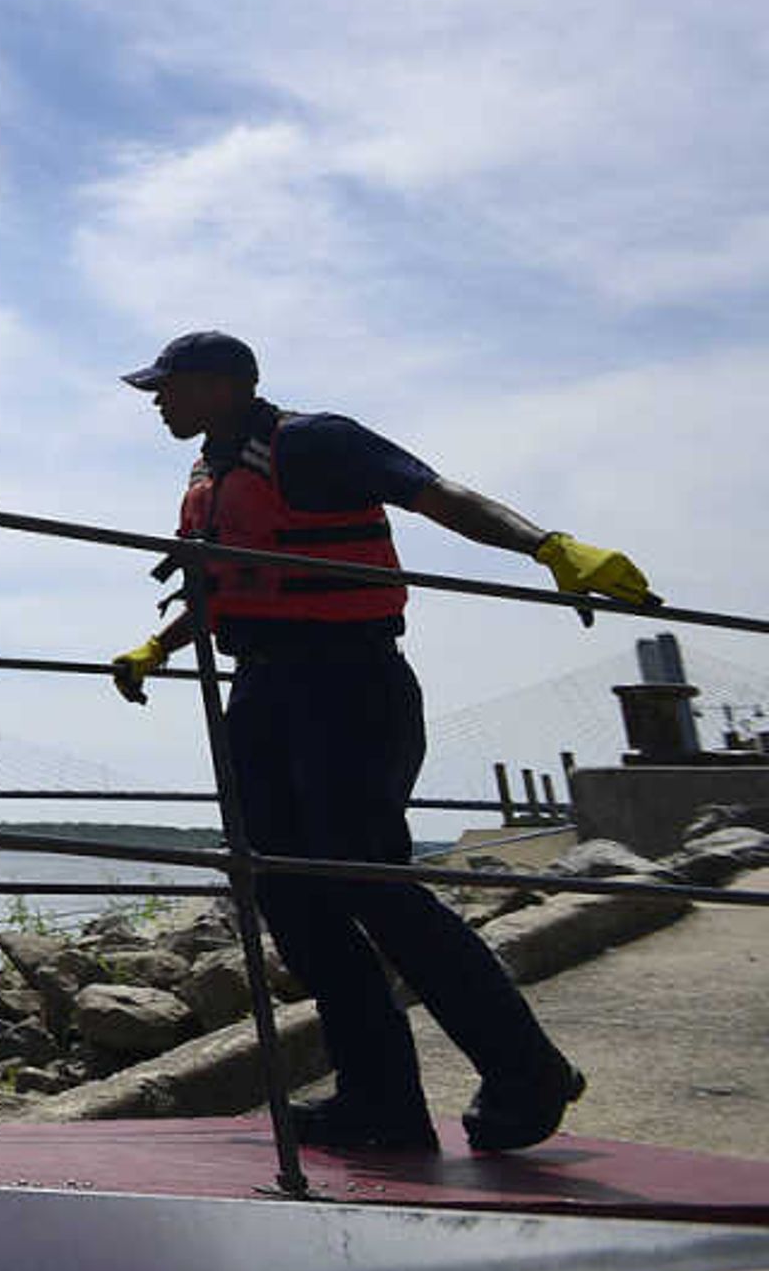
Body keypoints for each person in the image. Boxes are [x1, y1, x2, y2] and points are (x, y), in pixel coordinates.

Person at [109, 331, 653, 1154]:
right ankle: (381, 1098)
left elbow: (437, 494)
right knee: (289, 890)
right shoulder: (210, 474)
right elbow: (245, 576)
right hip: (264, 688)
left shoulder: (316, 439)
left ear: (220, 386)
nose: (157, 401)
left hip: (348, 683)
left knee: (373, 882)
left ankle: (526, 1068)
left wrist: (548, 547)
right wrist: (162, 645)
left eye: (169, 386)